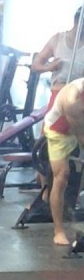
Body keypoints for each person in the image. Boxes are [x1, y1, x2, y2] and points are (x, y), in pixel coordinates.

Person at [42, 76, 84, 245]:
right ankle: (58, 230)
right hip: (58, 132)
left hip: (78, 128)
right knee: (62, 176)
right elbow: (81, 137)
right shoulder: (72, 100)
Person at [32, 8, 84, 109]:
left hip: (80, 96)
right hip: (59, 94)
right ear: (77, 22)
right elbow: (35, 65)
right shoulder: (58, 39)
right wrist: (49, 67)